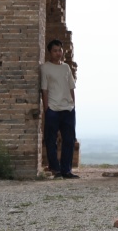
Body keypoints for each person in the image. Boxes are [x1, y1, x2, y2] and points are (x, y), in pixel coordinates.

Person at [41, 39, 79, 179]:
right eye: (55, 51)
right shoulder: (45, 68)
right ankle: (56, 170)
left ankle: (66, 170)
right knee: (51, 140)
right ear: (50, 52)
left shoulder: (66, 68)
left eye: (60, 50)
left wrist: (73, 105)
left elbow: (71, 88)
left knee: (69, 140)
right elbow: (44, 90)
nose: (58, 53)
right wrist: (47, 109)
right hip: (53, 108)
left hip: (67, 109)